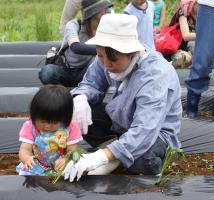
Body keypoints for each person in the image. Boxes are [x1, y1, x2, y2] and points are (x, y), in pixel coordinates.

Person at [63, 14, 182, 182]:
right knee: (76, 110)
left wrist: (100, 158)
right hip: (122, 122)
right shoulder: (106, 55)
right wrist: (81, 98)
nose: (105, 63)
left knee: (146, 158)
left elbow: (144, 130)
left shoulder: (154, 77)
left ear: (132, 52)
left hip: (155, 135)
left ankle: (114, 155)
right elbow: (91, 82)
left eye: (112, 60)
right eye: (100, 55)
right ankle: (116, 152)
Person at [39, 0, 113, 87]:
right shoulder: (74, 25)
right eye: (103, 8)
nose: (107, 10)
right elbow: (75, 47)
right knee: (47, 72)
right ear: (94, 12)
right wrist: (106, 49)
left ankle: (85, 87)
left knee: (101, 64)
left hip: (85, 72)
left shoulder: (106, 29)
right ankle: (62, 91)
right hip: (65, 69)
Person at [16, 85, 83, 176]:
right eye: (42, 121)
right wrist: (27, 158)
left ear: (64, 117)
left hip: (60, 165)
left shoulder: (70, 127)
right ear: (34, 114)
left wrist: (65, 159)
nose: (47, 126)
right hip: (38, 164)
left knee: (71, 172)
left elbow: (72, 150)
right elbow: (24, 149)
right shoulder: (30, 126)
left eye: (54, 122)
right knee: (28, 174)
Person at [168, 2, 198, 68]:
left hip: (184, 47)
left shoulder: (197, 15)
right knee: (193, 45)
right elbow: (186, 36)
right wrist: (207, 35)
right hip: (174, 48)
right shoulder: (182, 12)